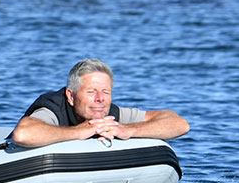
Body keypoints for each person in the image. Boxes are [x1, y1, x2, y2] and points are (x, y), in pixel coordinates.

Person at [11, 58, 189, 148]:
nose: (100, 99)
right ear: (71, 96)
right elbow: (23, 134)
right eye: (91, 92)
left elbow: (179, 124)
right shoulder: (53, 108)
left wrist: (128, 130)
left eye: (106, 92)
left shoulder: (108, 112)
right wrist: (80, 131)